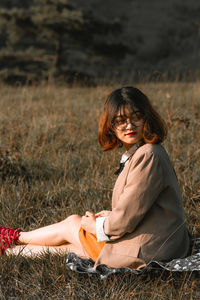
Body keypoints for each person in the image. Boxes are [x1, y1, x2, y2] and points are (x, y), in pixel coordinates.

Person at [0, 86, 190, 269]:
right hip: (162, 242)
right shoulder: (143, 152)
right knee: (73, 247)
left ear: (147, 119)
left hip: (151, 249)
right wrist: (109, 216)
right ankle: (11, 251)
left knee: (73, 224)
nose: (129, 126)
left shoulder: (148, 154)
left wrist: (96, 226)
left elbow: (125, 220)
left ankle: (14, 236)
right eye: (121, 120)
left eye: (137, 117)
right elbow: (141, 204)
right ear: (111, 126)